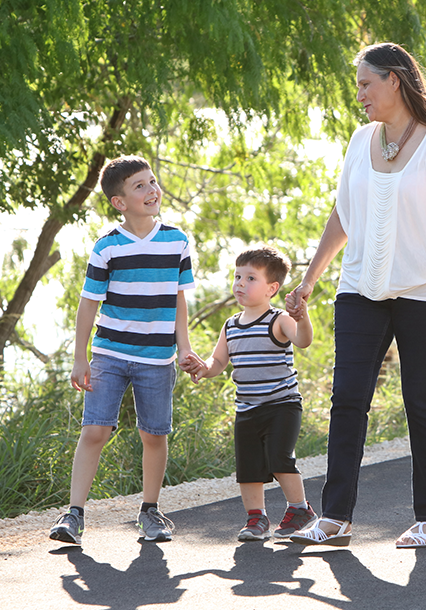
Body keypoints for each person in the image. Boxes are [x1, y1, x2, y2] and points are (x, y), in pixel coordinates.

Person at [285, 42, 426, 548]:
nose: (360, 95)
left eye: (365, 84)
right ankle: (334, 518)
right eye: (357, 86)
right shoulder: (360, 140)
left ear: (394, 80)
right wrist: (309, 279)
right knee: (347, 399)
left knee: (422, 402)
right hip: (359, 289)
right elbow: (342, 215)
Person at [49, 155, 195, 545]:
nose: (152, 190)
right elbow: (88, 303)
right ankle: (74, 514)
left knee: (154, 435)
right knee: (95, 429)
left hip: (157, 358)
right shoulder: (107, 247)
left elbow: (178, 300)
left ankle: (150, 511)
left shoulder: (177, 241)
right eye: (140, 186)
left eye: (152, 182)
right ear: (120, 202)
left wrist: (185, 348)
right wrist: (81, 357)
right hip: (110, 352)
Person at [181, 246, 317, 541]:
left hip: (282, 404)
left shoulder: (279, 319)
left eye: (250, 278)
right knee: (249, 466)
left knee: (280, 457)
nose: (240, 283)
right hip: (247, 409)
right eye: (238, 276)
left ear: (272, 288)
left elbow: (303, 340)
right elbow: (218, 362)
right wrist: (203, 368)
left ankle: (299, 508)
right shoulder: (230, 326)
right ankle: (256, 518)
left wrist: (302, 316)